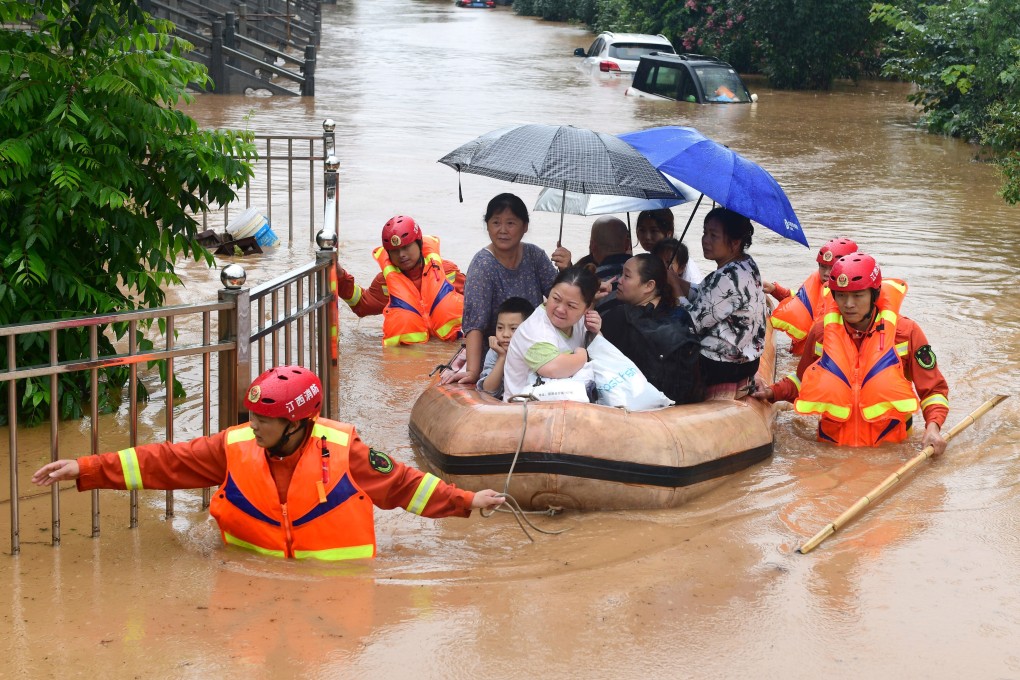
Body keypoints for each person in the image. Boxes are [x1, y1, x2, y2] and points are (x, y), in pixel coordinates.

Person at [32, 365, 505, 560]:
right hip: (246, 570)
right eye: (253, 416)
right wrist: (87, 468)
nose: (254, 426)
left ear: (298, 423)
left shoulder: (346, 451)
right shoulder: (234, 445)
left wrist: (467, 500)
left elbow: (404, 486)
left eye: (265, 420)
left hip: (336, 586)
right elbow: (165, 462)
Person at [751, 254, 949, 453]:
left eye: (858, 295)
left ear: (875, 294)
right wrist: (772, 392)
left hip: (889, 451)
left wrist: (933, 427)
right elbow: (804, 380)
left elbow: (933, 391)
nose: (848, 304)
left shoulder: (906, 333)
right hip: (832, 451)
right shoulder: (821, 333)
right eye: (842, 295)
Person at [442, 193, 560, 385]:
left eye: (511, 223)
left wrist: (566, 268)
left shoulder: (535, 255)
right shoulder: (483, 265)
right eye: (496, 223)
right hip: (497, 352)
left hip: (534, 347)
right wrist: (473, 371)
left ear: (525, 227)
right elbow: (475, 323)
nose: (502, 230)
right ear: (487, 226)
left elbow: (558, 300)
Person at [337, 215, 465, 346]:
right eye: (395, 251)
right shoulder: (385, 282)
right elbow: (361, 306)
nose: (401, 255)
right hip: (413, 356)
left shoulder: (446, 270)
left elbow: (477, 297)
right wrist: (340, 275)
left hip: (452, 346)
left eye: (406, 247)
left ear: (419, 243)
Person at [679, 207, 767, 397]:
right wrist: (676, 281)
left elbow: (691, 323)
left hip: (721, 365)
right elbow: (706, 294)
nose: (705, 240)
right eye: (704, 233)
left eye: (713, 235)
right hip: (748, 361)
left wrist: (675, 294)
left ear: (735, 243)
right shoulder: (746, 264)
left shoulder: (726, 277)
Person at [600, 254, 703, 403]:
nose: (619, 281)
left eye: (626, 276)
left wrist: (590, 301)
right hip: (677, 406)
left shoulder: (620, 317)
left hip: (632, 405)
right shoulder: (681, 315)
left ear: (649, 286)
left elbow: (590, 349)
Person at [502, 266, 602, 401]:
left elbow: (602, 355)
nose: (560, 309)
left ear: (587, 308)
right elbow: (553, 368)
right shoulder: (534, 329)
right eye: (556, 299)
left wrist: (596, 333)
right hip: (523, 411)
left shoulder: (582, 321)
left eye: (571, 305)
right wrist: (584, 355)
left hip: (563, 406)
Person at [765, 236, 858, 355]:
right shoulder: (816, 282)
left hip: (825, 359)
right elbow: (798, 301)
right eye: (823, 266)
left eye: (832, 268)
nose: (826, 273)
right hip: (801, 355)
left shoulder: (852, 301)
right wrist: (775, 289)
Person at [477, 297, 536, 400]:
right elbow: (488, 391)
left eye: (513, 329)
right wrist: (502, 357)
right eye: (500, 328)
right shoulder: (495, 351)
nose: (505, 334)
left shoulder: (537, 349)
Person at [635, 208, 703, 284]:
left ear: (669, 234)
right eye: (642, 230)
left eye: (654, 231)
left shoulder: (684, 265)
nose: (647, 237)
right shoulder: (650, 259)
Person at [652, 237, 698, 302]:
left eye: (668, 262)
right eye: (658, 261)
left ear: (681, 268)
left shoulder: (695, 294)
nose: (662, 266)